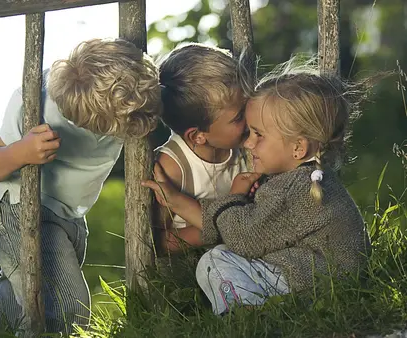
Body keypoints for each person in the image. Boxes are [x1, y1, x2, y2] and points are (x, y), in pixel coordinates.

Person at [142, 56, 371, 315]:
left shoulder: (290, 188)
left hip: (318, 281)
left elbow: (242, 238)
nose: (248, 143)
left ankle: (243, 316)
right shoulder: (311, 177)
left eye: (258, 134)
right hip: (330, 277)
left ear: (298, 148)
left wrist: (232, 197)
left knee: (215, 262)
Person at [0, 38, 161, 333]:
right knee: (64, 300)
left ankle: (2, 331)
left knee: (27, 291)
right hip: (16, 204)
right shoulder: (36, 100)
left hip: (69, 211)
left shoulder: (125, 98)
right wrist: (19, 152)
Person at [154, 43, 248, 253]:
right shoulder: (173, 166)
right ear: (197, 136)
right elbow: (159, 241)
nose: (249, 118)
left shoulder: (246, 145)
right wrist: (223, 231)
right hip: (197, 264)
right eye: (239, 117)